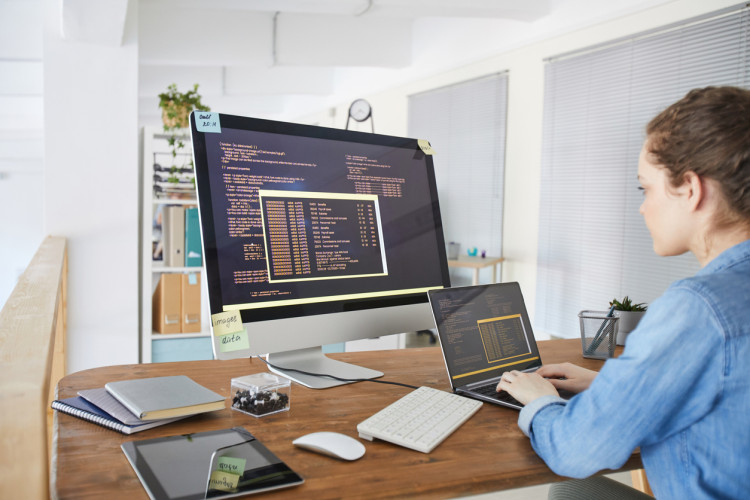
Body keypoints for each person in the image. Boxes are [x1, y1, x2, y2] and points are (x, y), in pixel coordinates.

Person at [497, 86, 750, 499]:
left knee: (571, 487)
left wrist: (540, 401)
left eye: (645, 189)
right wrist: (607, 386)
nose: (642, 207)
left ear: (690, 188)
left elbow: (575, 450)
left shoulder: (700, 308)